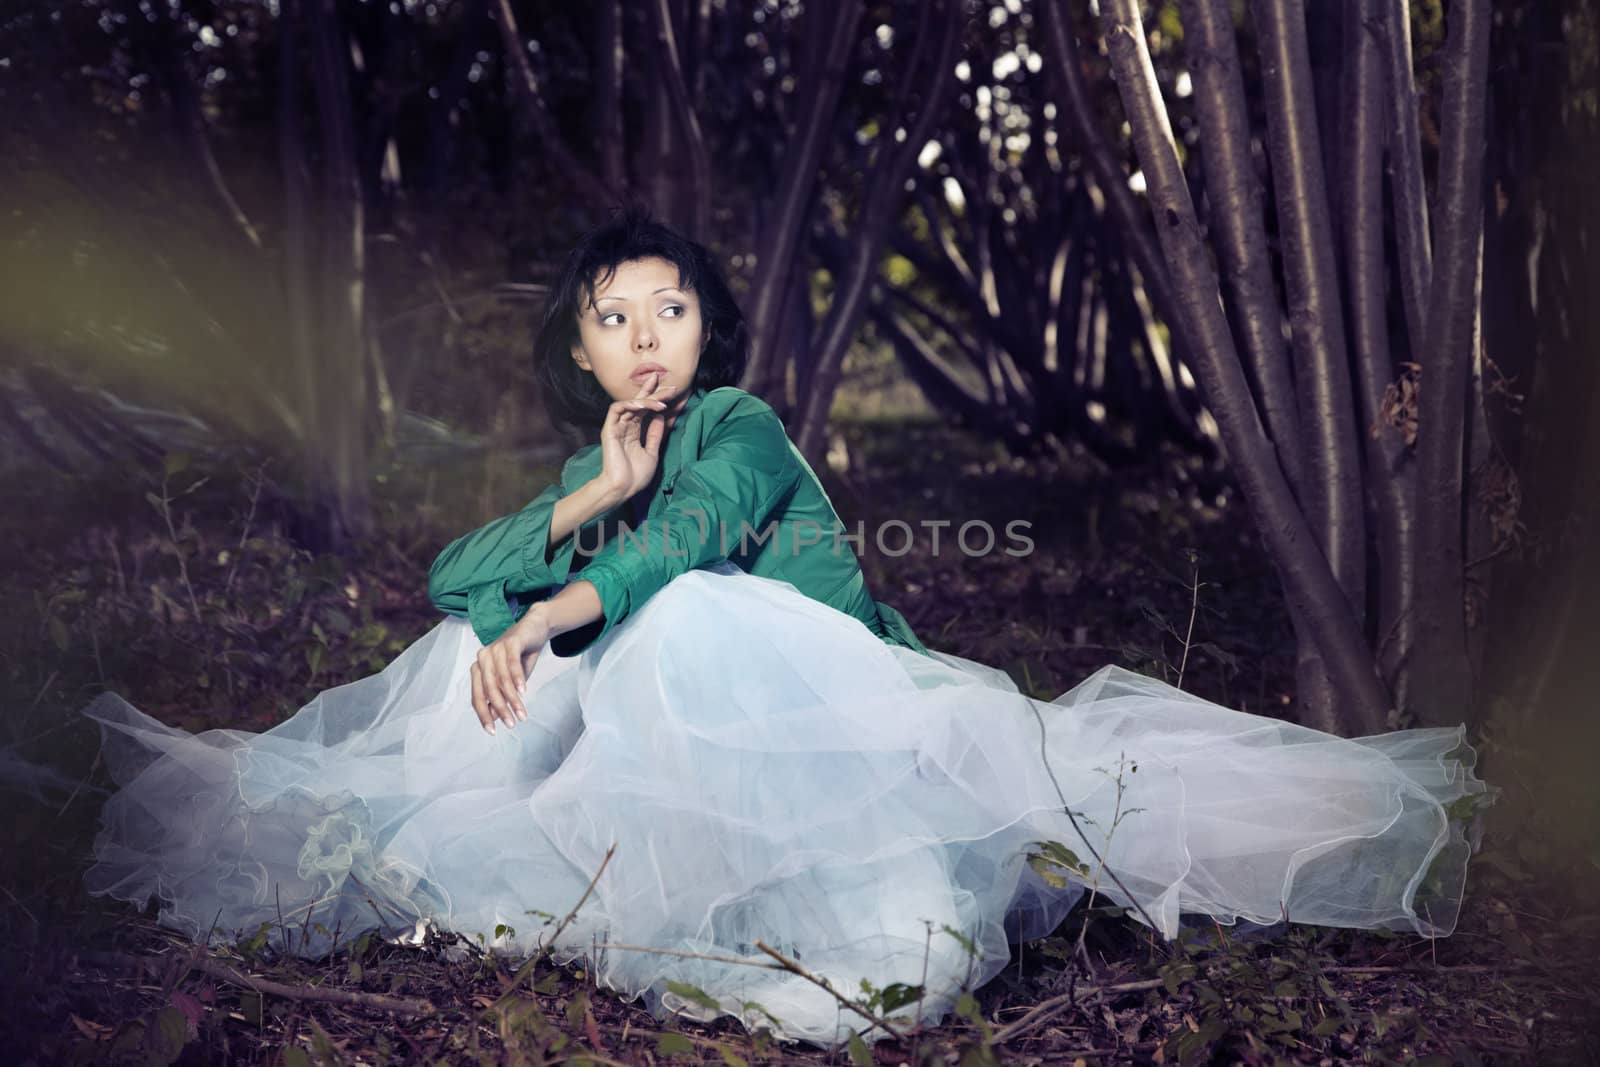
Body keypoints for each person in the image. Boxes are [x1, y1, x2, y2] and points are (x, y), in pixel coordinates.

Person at [81, 214, 1494, 1045]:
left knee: (682, 613)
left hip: (855, 719)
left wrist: (570, 594)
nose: (648, 336)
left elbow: (681, 557)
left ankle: (827, 914)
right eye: (615, 318)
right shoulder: (612, 460)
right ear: (580, 353)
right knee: (485, 641)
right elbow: (461, 570)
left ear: (709, 327)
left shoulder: (741, 428)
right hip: (687, 742)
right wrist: (589, 510)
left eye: (673, 308)